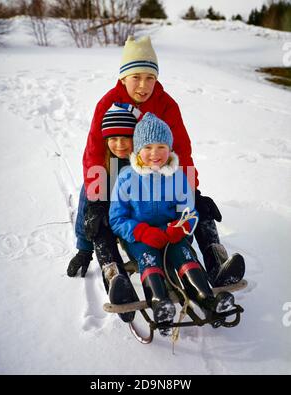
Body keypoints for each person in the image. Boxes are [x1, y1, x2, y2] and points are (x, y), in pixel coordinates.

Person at [67, 35, 245, 288]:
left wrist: (193, 190)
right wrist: (97, 199)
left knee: (196, 207)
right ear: (123, 77)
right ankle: (100, 260)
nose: (143, 85)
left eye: (150, 77)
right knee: (94, 203)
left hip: (157, 171)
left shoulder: (166, 105)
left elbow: (182, 150)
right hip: (116, 169)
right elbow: (94, 152)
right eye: (136, 77)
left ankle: (217, 263)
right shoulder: (108, 104)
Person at [109, 113, 235, 336]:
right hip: (140, 237)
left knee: (184, 254)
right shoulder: (126, 178)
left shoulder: (177, 177)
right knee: (148, 257)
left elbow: (190, 211)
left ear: (170, 149)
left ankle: (207, 298)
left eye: (161, 147)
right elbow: (117, 219)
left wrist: (181, 227)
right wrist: (141, 231)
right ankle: (160, 302)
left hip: (172, 234)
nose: (155, 154)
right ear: (138, 151)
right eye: (148, 147)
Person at [70, 103, 144, 323]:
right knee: (101, 235)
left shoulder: (144, 164)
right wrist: (84, 249)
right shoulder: (101, 170)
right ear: (105, 141)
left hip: (135, 223)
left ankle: (167, 278)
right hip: (108, 223)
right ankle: (115, 281)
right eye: (113, 139)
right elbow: (86, 211)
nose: (119, 145)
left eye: (125, 138)